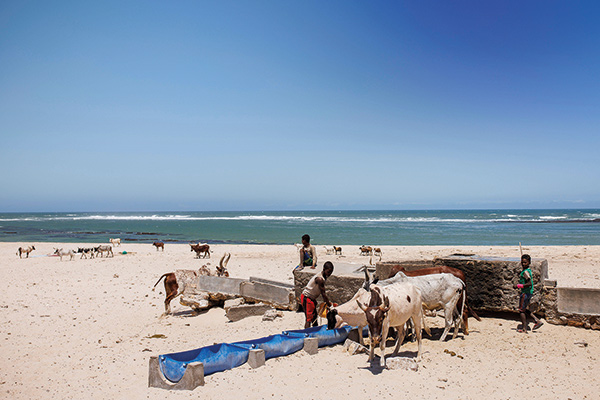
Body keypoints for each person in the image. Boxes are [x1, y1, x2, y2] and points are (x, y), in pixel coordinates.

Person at [514, 254, 543, 333]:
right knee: (524, 309)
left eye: (525, 262)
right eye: (522, 262)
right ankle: (536, 320)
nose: (523, 264)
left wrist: (519, 286)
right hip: (529, 292)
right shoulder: (528, 271)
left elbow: (529, 283)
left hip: (525, 292)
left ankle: (524, 328)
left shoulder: (525, 272)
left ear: (529, 262)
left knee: (521, 310)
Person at [300, 261, 334, 328]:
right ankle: (306, 334)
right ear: (324, 269)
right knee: (309, 319)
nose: (329, 274)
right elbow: (323, 294)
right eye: (328, 272)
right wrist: (329, 304)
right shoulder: (319, 279)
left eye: (331, 272)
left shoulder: (324, 276)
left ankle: (315, 330)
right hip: (307, 298)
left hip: (312, 299)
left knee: (314, 316)